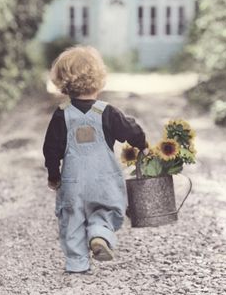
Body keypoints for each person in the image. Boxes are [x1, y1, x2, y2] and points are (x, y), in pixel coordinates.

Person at [43, 45, 148, 274]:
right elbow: (131, 131)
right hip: (104, 180)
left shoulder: (62, 114)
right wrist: (142, 144)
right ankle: (100, 233)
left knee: (72, 220)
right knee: (108, 209)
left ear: (62, 82)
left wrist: (54, 175)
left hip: (73, 183)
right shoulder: (107, 112)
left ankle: (77, 263)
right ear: (99, 79)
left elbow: (51, 149)